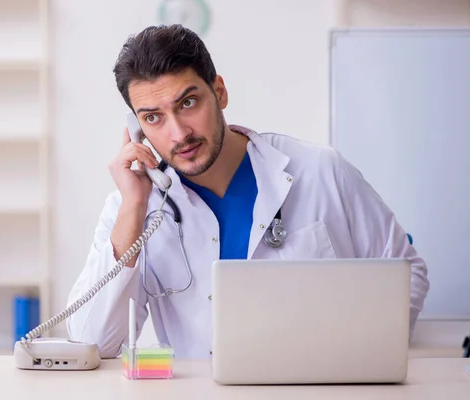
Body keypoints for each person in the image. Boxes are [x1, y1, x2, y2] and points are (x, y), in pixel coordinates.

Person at [65, 24, 430, 359]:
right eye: (153, 117)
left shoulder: (320, 171)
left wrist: (353, 357)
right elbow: (92, 342)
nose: (178, 134)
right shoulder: (134, 210)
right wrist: (133, 206)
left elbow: (406, 272)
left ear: (219, 92)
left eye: (187, 103)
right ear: (137, 128)